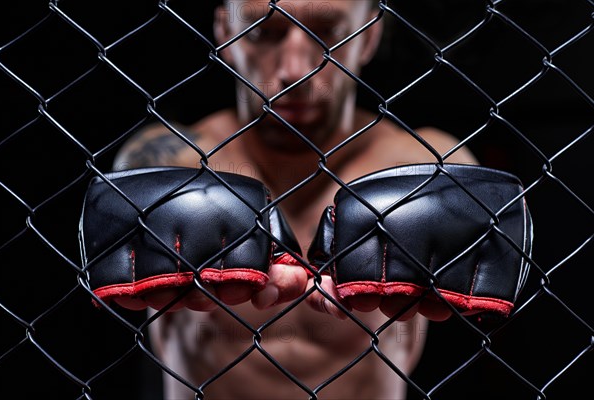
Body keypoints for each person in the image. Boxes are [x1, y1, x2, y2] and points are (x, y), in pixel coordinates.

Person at [111, 1, 478, 398]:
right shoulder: (177, 164)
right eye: (262, 33)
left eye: (327, 33)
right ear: (225, 34)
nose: (295, 71)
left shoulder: (421, 168)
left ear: (369, 36)